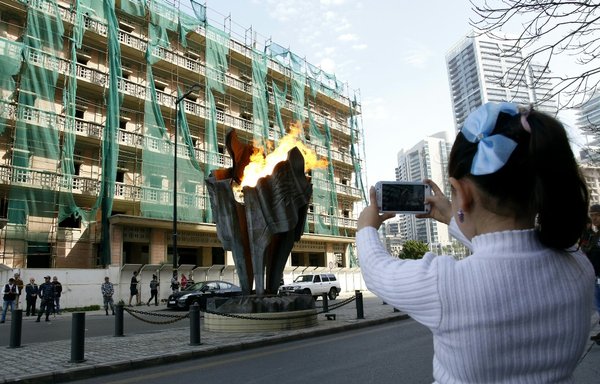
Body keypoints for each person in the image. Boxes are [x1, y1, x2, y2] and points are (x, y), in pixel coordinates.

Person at [357, 102, 594, 383]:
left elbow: (376, 270)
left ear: (462, 192)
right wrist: (451, 215)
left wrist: (366, 227)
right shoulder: (578, 265)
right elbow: (507, 255)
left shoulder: (444, 285)